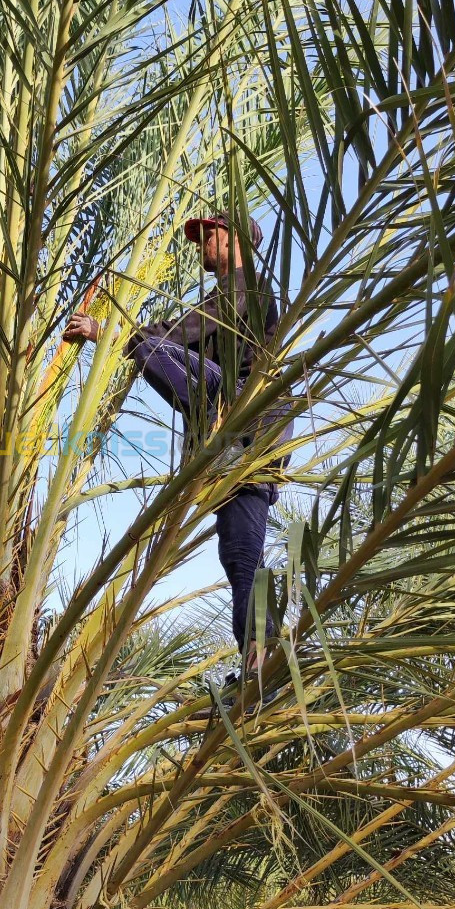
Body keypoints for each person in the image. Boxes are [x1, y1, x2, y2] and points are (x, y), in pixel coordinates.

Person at [62, 210, 291, 674]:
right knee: (241, 553)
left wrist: (104, 332)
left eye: (209, 234)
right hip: (238, 447)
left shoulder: (247, 288)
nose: (201, 243)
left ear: (233, 240)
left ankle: (262, 652)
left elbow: (174, 336)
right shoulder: (231, 295)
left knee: (154, 347)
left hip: (247, 420)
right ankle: (259, 658)